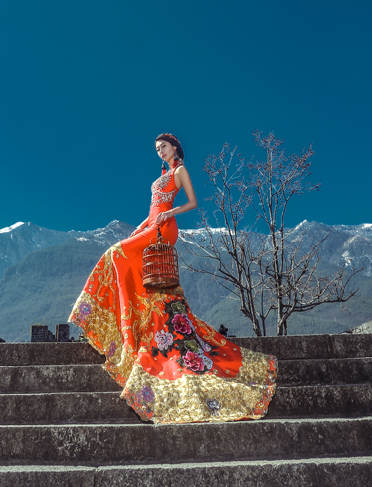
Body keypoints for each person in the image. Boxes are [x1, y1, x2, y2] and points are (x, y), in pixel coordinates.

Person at [69, 132, 277, 424]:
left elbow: (192, 202)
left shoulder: (179, 171)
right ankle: (138, 321)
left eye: (164, 147)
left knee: (115, 253)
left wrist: (169, 214)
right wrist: (142, 226)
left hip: (166, 228)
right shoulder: (162, 175)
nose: (160, 152)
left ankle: (127, 324)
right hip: (152, 225)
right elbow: (153, 208)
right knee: (129, 264)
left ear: (175, 147)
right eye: (157, 149)